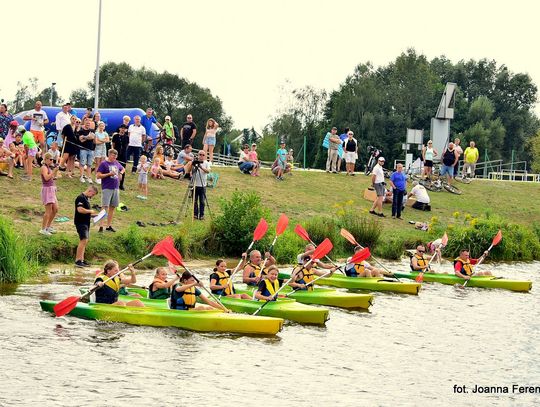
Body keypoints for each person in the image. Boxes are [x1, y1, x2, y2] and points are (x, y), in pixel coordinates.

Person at [96, 149, 125, 232]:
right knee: (104, 206)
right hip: (107, 187)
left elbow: (123, 169)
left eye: (116, 156)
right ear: (109, 155)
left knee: (112, 207)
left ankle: (108, 226)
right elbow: (98, 176)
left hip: (115, 188)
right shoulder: (104, 164)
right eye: (113, 155)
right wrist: (109, 174)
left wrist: (120, 173)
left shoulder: (116, 163)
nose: (114, 157)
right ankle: (101, 226)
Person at [74, 185, 99, 267]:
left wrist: (94, 215)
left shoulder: (86, 199)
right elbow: (80, 210)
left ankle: (82, 259)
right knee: (83, 240)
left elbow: (86, 212)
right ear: (90, 191)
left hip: (86, 222)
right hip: (81, 222)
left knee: (85, 241)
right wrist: (90, 211)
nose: (92, 197)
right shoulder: (80, 198)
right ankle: (78, 260)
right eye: (93, 194)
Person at [39, 152, 59, 236]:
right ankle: (43, 229)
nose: (51, 161)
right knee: (48, 210)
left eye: (52, 160)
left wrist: (54, 176)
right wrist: (54, 171)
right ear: (46, 159)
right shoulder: (44, 167)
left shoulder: (48, 167)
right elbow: (46, 178)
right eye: (50, 159)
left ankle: (48, 226)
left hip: (51, 189)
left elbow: (50, 177)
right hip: (47, 190)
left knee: (55, 209)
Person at [192, 150, 211, 220]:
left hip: (203, 185)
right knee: (194, 201)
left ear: (205, 156)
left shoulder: (206, 163)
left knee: (202, 201)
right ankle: (195, 214)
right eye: (200, 154)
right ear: (198, 155)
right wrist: (193, 164)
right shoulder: (195, 162)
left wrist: (200, 167)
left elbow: (208, 171)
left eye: (203, 155)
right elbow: (191, 171)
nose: (201, 156)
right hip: (195, 184)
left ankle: (202, 215)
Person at [77, 117, 96, 184]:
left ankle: (89, 177)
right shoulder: (81, 131)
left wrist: (85, 137)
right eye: (87, 123)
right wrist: (87, 137)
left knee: (89, 164)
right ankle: (81, 176)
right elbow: (81, 140)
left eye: (89, 123)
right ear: (84, 123)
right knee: (82, 163)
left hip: (91, 149)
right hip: (83, 149)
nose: (88, 124)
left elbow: (93, 138)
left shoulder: (92, 130)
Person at [111, 124, 129, 189]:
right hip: (116, 154)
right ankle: (113, 183)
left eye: (124, 128)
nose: (123, 129)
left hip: (123, 155)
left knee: (122, 169)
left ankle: (121, 184)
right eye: (122, 128)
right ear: (119, 129)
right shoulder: (115, 136)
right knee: (114, 168)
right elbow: (113, 144)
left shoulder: (126, 137)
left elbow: (127, 145)